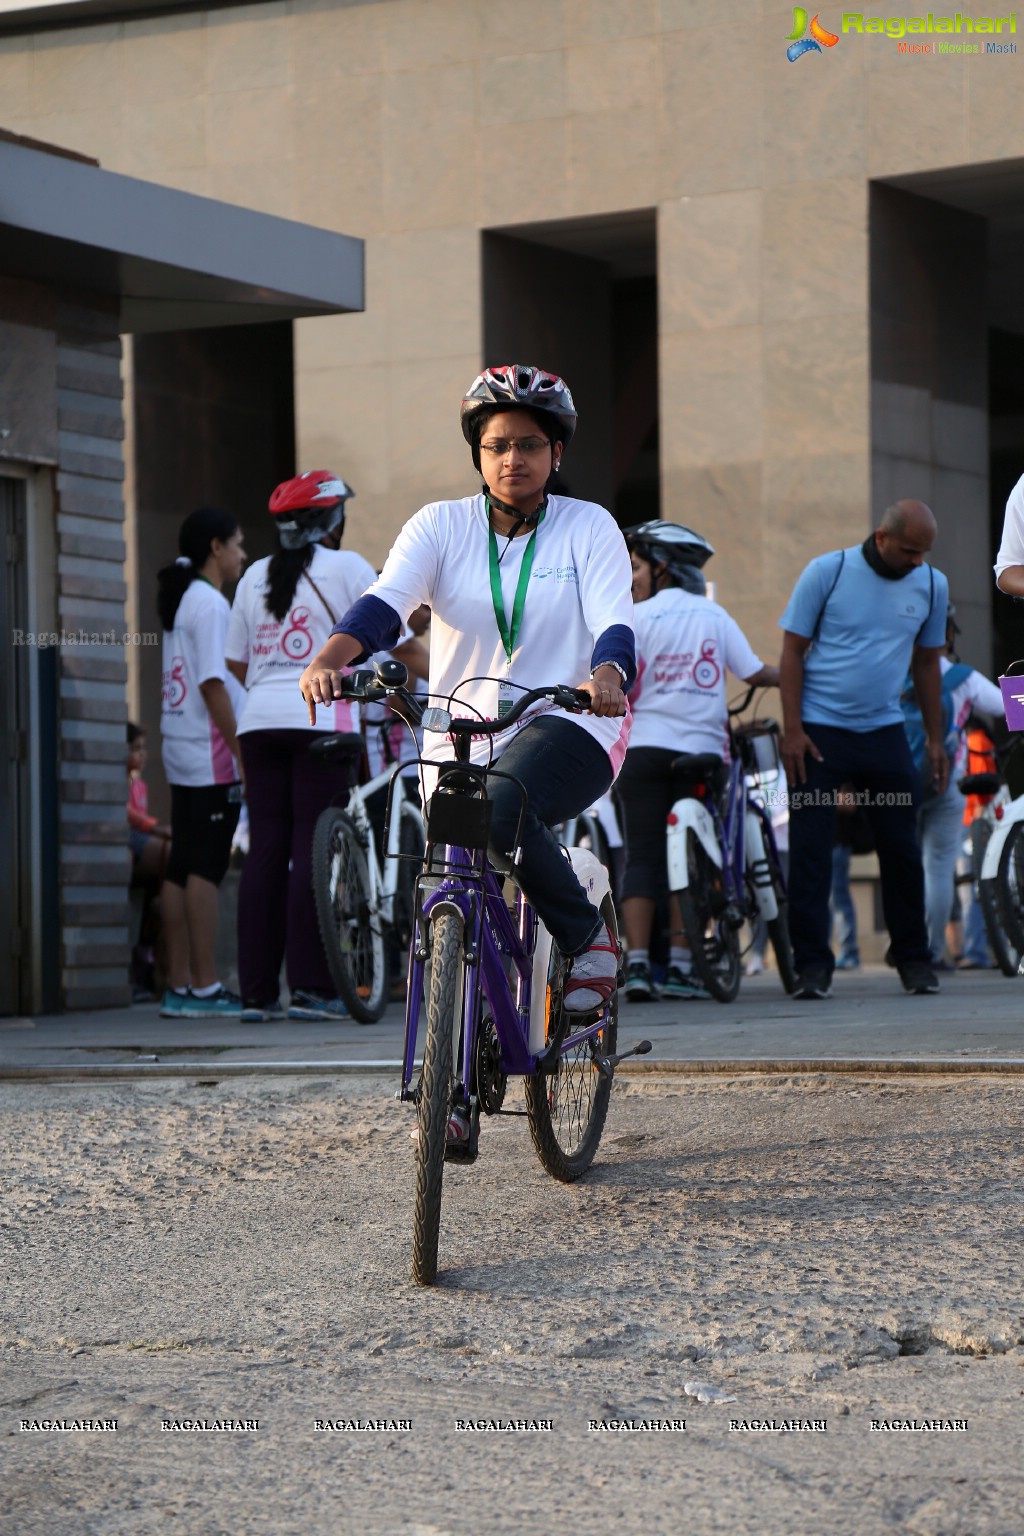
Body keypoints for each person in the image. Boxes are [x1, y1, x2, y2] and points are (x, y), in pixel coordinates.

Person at [298, 362, 635, 1146]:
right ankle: (447, 1087)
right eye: (494, 446)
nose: (510, 459)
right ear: (476, 454)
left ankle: (587, 942)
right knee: (448, 893)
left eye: (528, 444)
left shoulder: (587, 527)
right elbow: (386, 604)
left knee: (504, 805)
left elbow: (615, 621)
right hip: (457, 731)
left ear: (557, 452)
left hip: (570, 721)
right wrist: (331, 655)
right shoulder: (439, 526)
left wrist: (607, 676)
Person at [224, 471, 425, 1023]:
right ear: (331, 521)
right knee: (318, 850)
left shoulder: (252, 578)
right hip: (323, 720)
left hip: (258, 722)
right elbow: (402, 649)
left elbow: (237, 664)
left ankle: (257, 995)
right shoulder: (349, 568)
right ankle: (313, 989)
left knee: (266, 849)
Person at [779, 500, 949, 999]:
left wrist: (936, 740)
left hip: (885, 732)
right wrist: (792, 729)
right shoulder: (827, 572)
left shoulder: (933, 585)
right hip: (819, 734)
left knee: (901, 849)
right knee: (810, 852)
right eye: (909, 550)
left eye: (925, 552)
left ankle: (914, 959)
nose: (918, 561)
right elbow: (791, 652)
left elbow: (926, 666)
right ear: (881, 537)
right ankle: (812, 966)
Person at [615, 521, 778, 1002]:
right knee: (702, 860)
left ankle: (641, 965)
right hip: (703, 755)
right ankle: (686, 966)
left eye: (638, 566)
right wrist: (795, 673)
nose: (632, 577)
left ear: (663, 569)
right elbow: (753, 672)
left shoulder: (635, 619)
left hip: (642, 751)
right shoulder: (714, 616)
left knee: (643, 855)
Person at [157, 507, 247, 1018]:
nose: (242, 554)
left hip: (179, 745)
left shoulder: (183, 598)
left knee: (181, 865)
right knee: (205, 869)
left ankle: (179, 987)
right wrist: (240, 755)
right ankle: (207, 988)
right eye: (236, 544)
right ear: (215, 547)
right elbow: (213, 683)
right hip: (209, 753)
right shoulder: (209, 604)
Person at [904, 603, 1005, 967]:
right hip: (945, 781)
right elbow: (1010, 707)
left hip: (896, 784)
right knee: (939, 867)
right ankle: (931, 951)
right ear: (946, 635)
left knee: (902, 864)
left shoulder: (890, 674)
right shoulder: (961, 677)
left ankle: (906, 944)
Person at [127, 722, 170, 998]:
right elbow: (131, 817)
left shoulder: (139, 784)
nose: (141, 755)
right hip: (133, 837)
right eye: (134, 749)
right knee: (168, 849)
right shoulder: (121, 783)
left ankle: (163, 897)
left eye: (143, 749)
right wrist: (155, 827)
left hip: (140, 839)